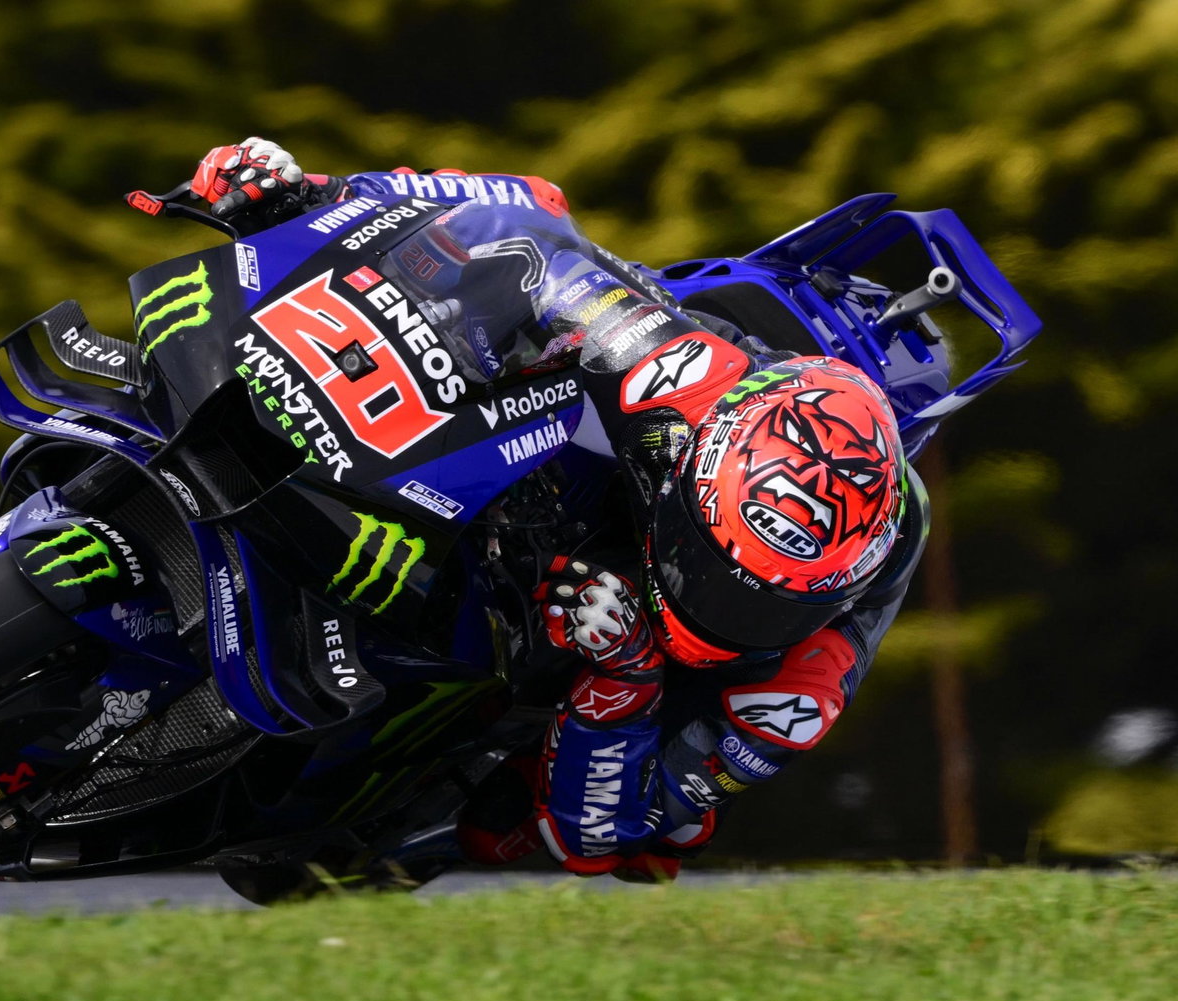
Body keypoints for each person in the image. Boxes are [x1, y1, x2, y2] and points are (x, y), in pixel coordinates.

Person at [182, 138, 927, 881]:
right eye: (717, 576)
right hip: (641, 460)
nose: (727, 610)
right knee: (519, 332)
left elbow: (599, 833)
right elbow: (522, 214)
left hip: (645, 680)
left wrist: (628, 670)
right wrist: (311, 193)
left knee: (532, 830)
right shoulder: (676, 376)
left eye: (760, 603)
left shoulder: (798, 684)